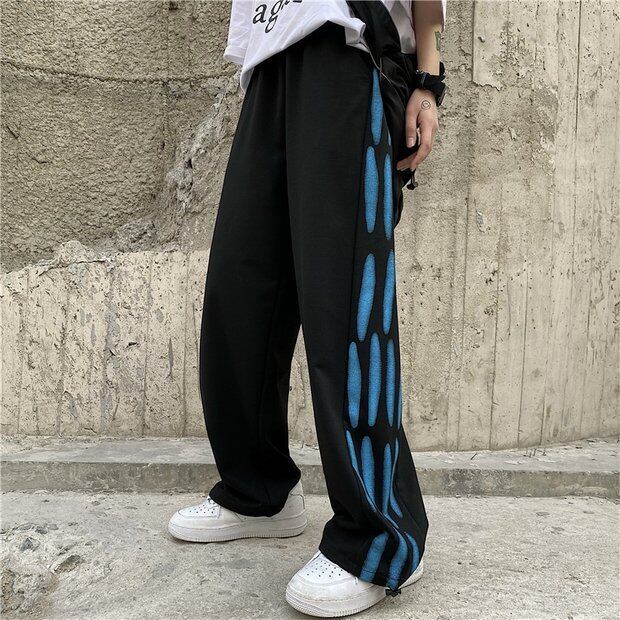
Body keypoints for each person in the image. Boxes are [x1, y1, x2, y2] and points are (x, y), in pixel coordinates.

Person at [168, 0, 446, 616]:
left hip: (348, 50)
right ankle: (258, 490)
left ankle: (383, 537)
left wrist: (427, 80)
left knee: (343, 303)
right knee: (243, 292)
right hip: (272, 62)